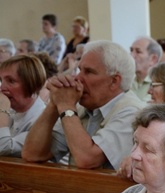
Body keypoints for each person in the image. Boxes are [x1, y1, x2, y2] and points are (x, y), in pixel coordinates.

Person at [22, 40, 144, 170]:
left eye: (89, 72)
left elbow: (87, 160)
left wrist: (66, 107)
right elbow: (32, 154)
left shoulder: (132, 112)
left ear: (114, 81)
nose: (77, 78)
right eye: (79, 69)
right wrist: (54, 103)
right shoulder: (79, 108)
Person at [0, 55, 47, 157]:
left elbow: (3, 148)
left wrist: (2, 109)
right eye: (1, 80)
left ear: (32, 84)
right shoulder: (12, 111)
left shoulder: (44, 119)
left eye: (11, 81)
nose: (2, 88)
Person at [130, 36, 162, 102]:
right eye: (131, 50)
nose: (131, 55)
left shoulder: (160, 85)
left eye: (138, 52)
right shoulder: (126, 82)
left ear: (153, 59)